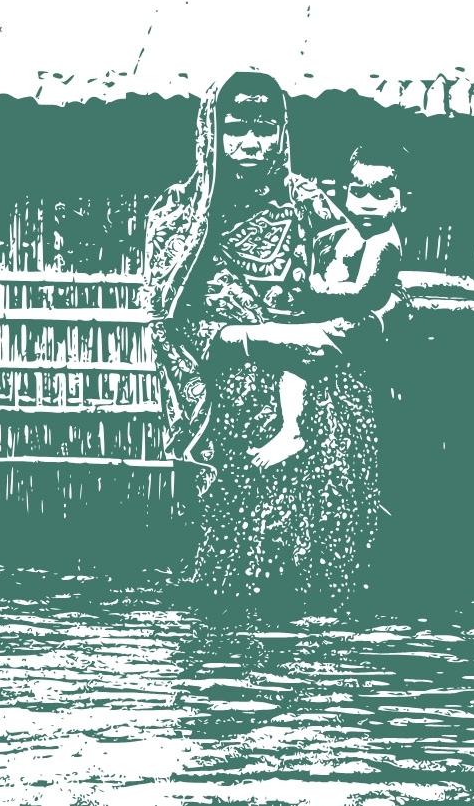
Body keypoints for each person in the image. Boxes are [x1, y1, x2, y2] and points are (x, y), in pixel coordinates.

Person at [140, 71, 401, 603]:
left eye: (265, 127)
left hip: (324, 401)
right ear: (212, 130)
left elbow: (379, 288)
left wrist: (356, 325)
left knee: (326, 579)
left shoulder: (309, 203)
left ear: (282, 130)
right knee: (238, 581)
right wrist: (271, 339)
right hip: (234, 408)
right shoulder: (177, 216)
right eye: (237, 128)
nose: (252, 143)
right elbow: (171, 326)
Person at [249, 144, 407, 469]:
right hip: (338, 321)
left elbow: (363, 294)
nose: (367, 203)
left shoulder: (383, 242)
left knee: (294, 364)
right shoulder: (354, 230)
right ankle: (291, 429)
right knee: (291, 370)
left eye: (381, 194)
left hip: (351, 328)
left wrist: (318, 290)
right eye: (358, 192)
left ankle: (292, 431)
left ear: (402, 200)